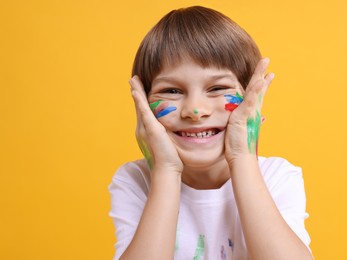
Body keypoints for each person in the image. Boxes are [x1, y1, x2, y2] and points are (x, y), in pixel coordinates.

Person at [108, 6, 312, 260]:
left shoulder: (278, 177)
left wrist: (242, 158)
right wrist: (166, 171)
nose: (195, 110)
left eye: (217, 88)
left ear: (252, 99)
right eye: (172, 91)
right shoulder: (136, 180)